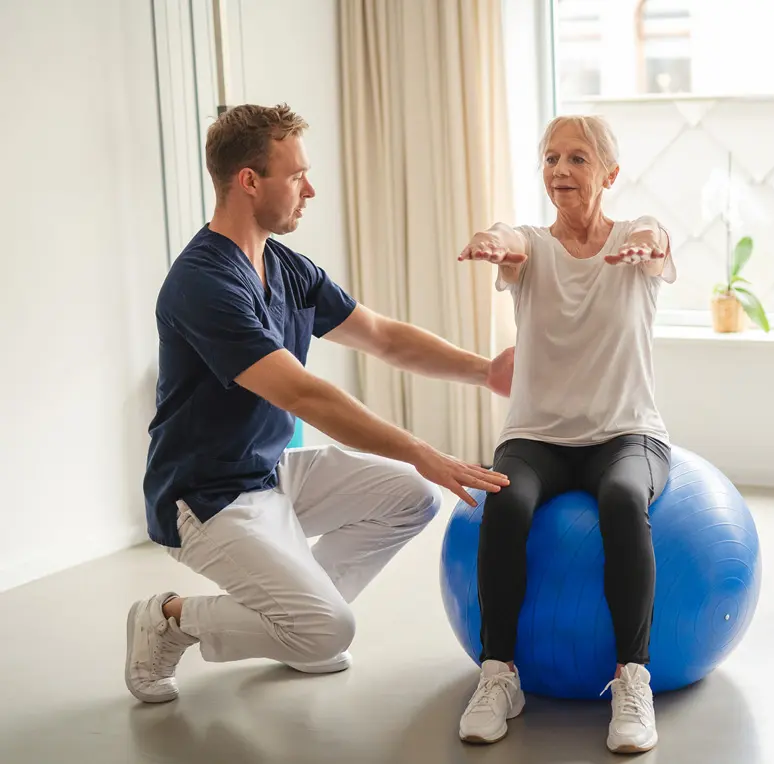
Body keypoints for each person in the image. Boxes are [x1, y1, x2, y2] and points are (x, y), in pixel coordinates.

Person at [125, 103, 513, 704]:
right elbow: (303, 394)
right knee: (330, 630)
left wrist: (486, 371)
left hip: (270, 471)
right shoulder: (203, 283)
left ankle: (296, 630)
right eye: (297, 175)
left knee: (410, 496)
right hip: (205, 494)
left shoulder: (285, 267)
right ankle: (171, 617)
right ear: (249, 181)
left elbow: (381, 335)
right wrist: (422, 450)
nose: (312, 189)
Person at [455, 114, 676, 754]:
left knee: (622, 499)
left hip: (628, 432)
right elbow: (510, 239)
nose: (560, 171)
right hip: (537, 437)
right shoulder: (530, 247)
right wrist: (490, 240)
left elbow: (655, 238)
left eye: (577, 159)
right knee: (506, 499)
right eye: (551, 159)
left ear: (609, 173)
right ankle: (499, 675)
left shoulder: (635, 238)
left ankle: (633, 680)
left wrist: (652, 246)